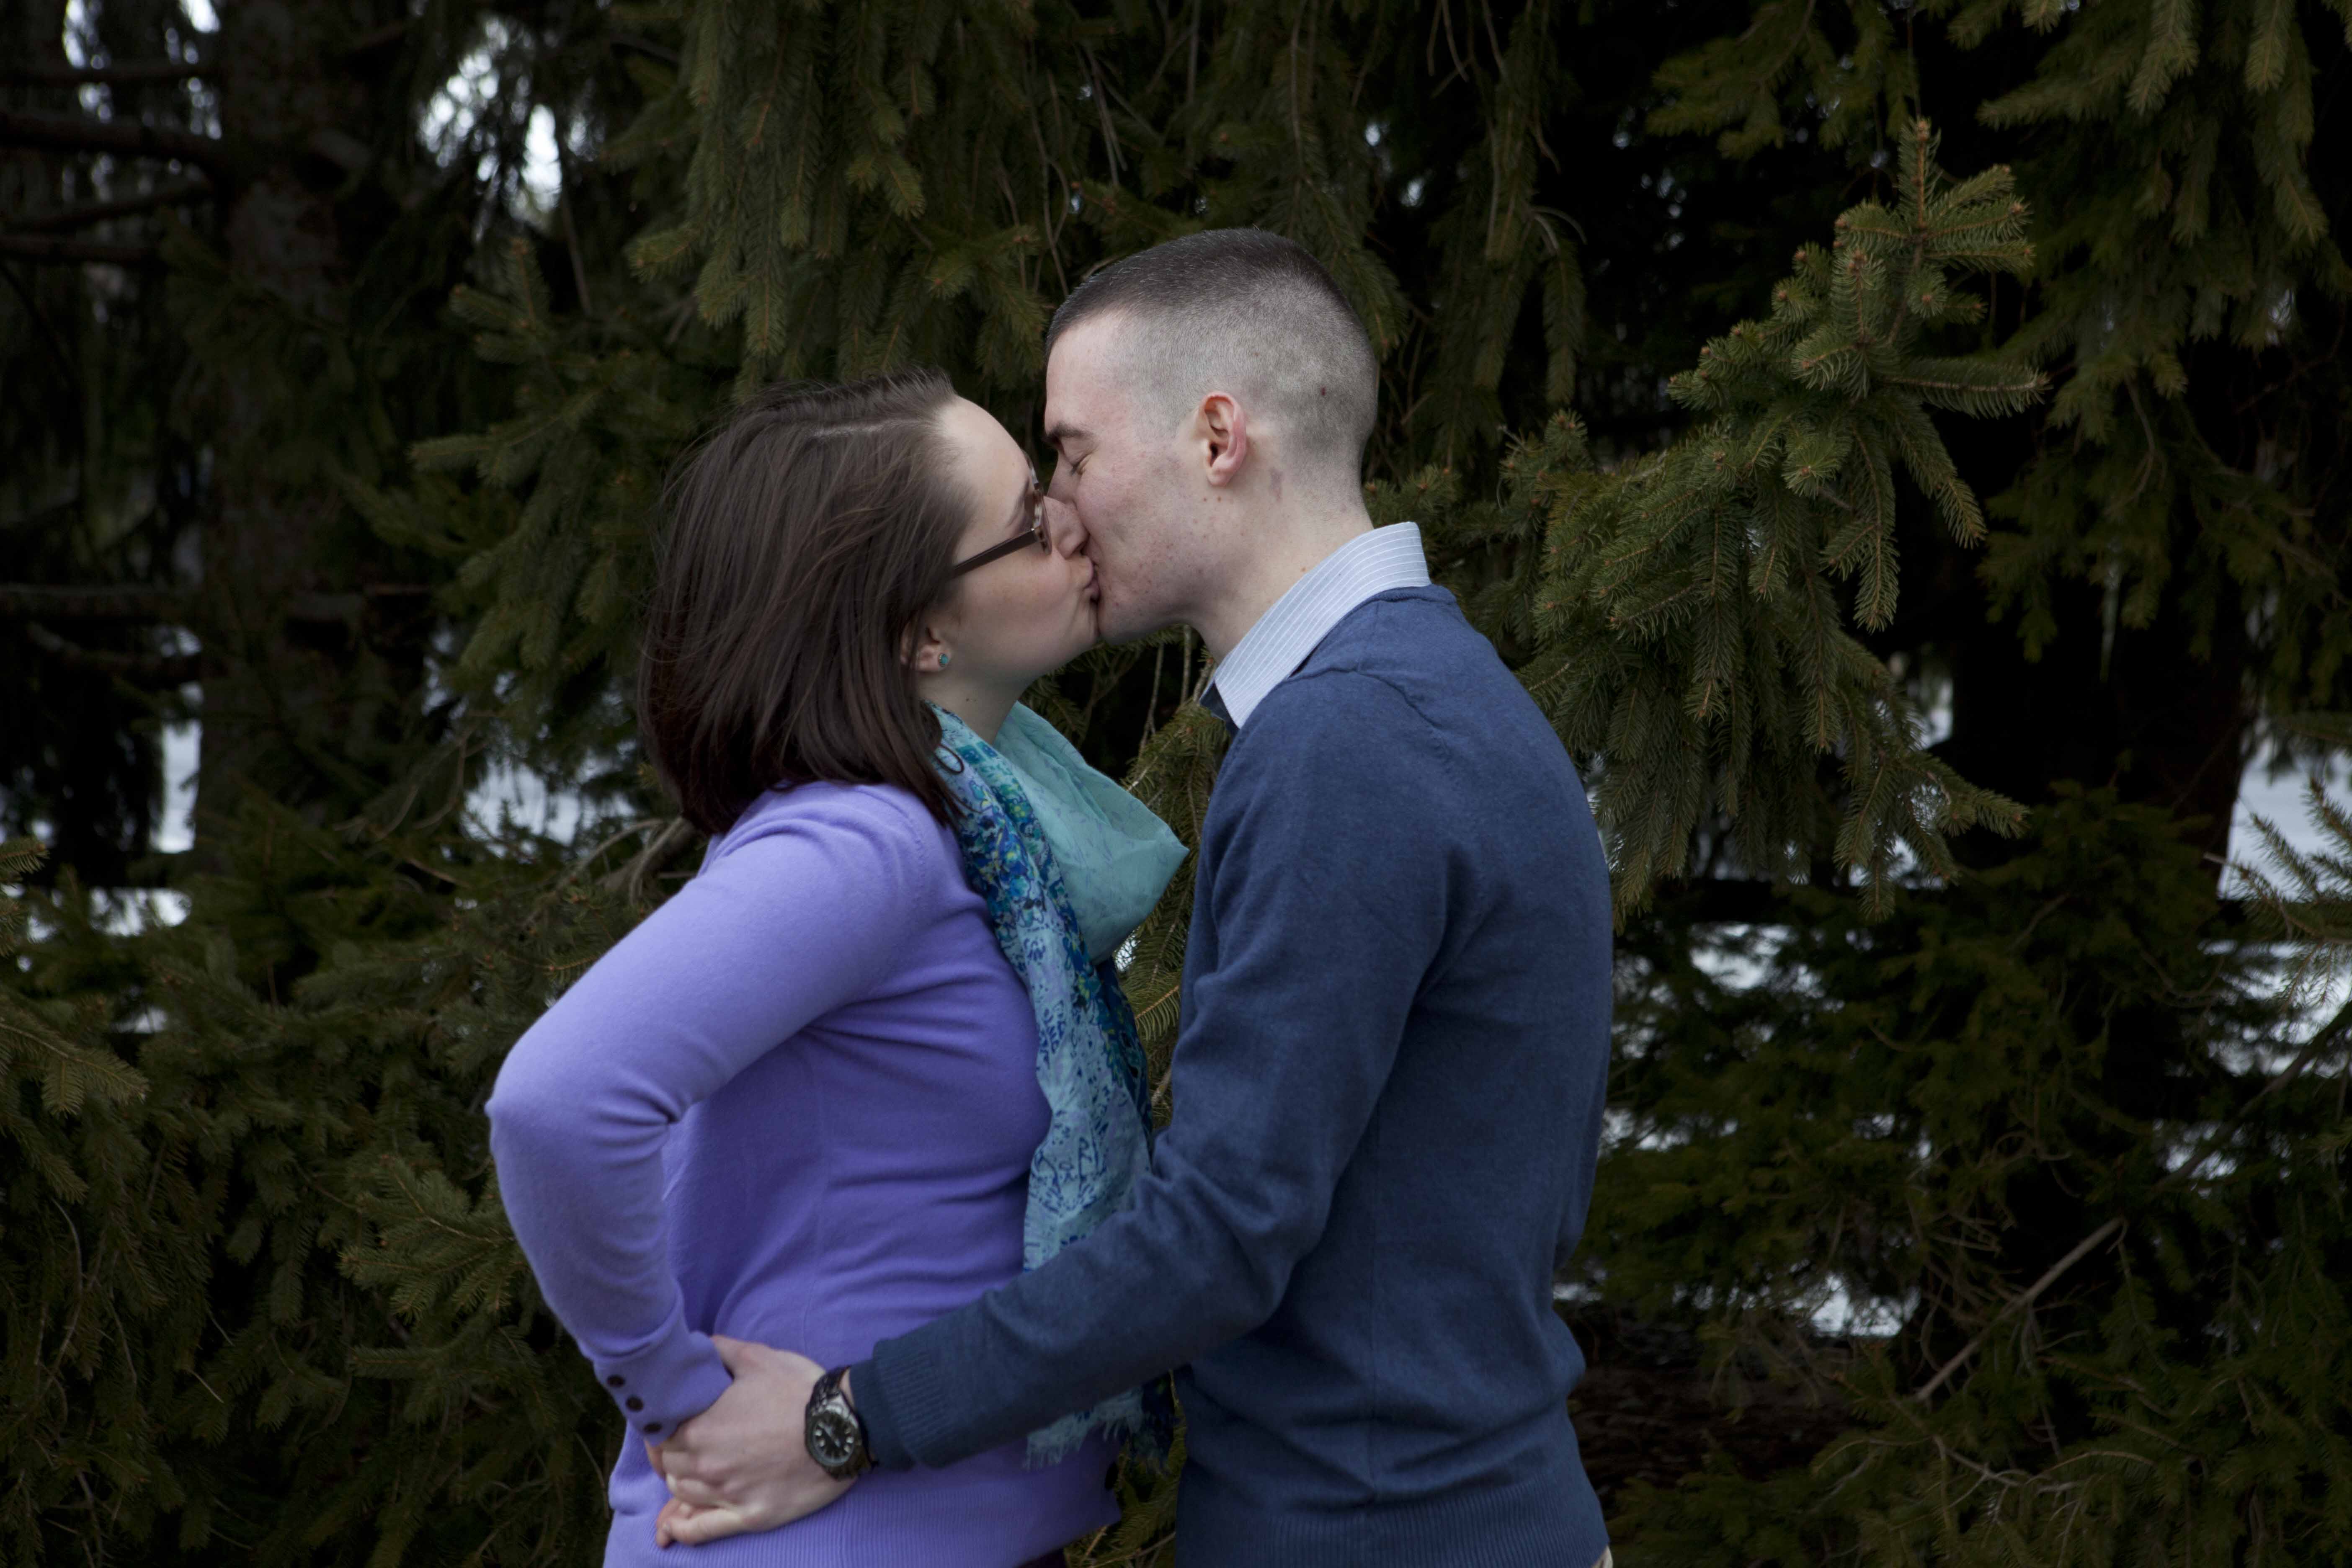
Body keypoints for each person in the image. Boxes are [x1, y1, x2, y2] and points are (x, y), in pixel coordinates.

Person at [653, 229, 1616, 1568]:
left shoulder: (1349, 745)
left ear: (1217, 438)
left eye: (1073, 452)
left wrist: (847, 1418)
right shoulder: (1440, 699)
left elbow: (1218, 1236)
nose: (1058, 508)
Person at [485, 368, 1190, 1566]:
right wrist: (678, 1397)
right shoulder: (865, 843)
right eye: (1029, 519)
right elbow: (557, 1103)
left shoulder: (981, 831)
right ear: (918, 633)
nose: (1075, 519)